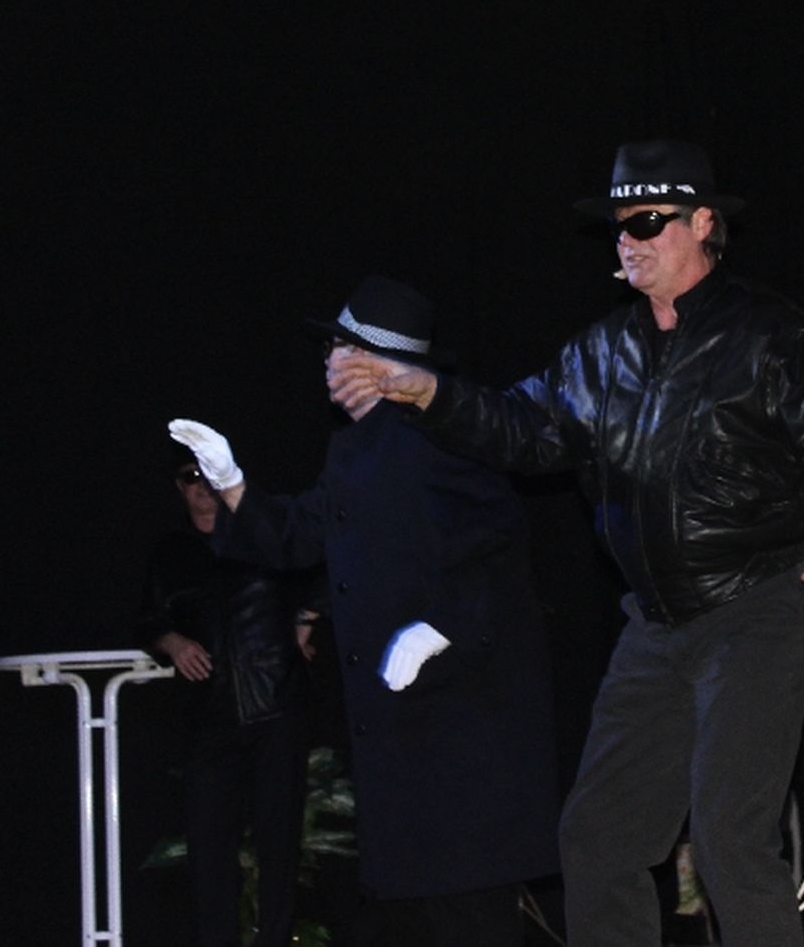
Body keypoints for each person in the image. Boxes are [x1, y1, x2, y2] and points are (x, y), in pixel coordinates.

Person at [323, 141, 804, 947]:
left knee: (728, 836)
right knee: (597, 840)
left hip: (761, 607)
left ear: (704, 224)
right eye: (620, 225)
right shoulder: (598, 354)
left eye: (648, 221)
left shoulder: (770, 334)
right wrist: (429, 392)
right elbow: (523, 429)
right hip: (657, 626)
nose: (629, 239)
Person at [170, 275, 559, 947]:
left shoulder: (441, 431)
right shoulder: (354, 448)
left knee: (469, 908)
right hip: (400, 729)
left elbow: (497, 545)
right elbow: (296, 536)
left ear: (375, 362)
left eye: (339, 348)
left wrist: (441, 628)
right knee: (419, 912)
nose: (326, 361)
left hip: (462, 723)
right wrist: (231, 484)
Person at [140, 458, 314, 947]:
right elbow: (146, 619)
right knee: (208, 848)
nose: (201, 486)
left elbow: (319, 566)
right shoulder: (171, 550)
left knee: (279, 842)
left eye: (206, 475)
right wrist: (172, 642)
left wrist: (305, 621)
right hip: (211, 714)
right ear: (178, 487)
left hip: (275, 704)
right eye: (190, 477)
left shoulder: (257, 531)